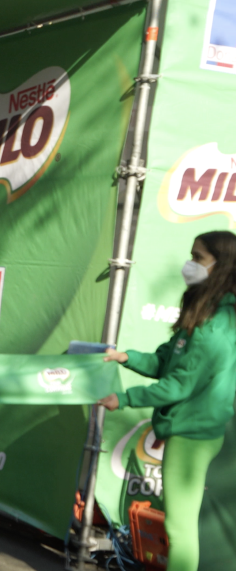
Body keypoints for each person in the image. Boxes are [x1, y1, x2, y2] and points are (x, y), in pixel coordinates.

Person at [98, 231, 236, 571]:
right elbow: (166, 360)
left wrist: (125, 398)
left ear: (220, 266)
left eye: (198, 257)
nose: (189, 265)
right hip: (193, 429)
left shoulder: (215, 326)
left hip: (192, 435)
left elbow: (177, 387)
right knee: (181, 524)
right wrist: (126, 357)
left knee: (179, 527)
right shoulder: (208, 314)